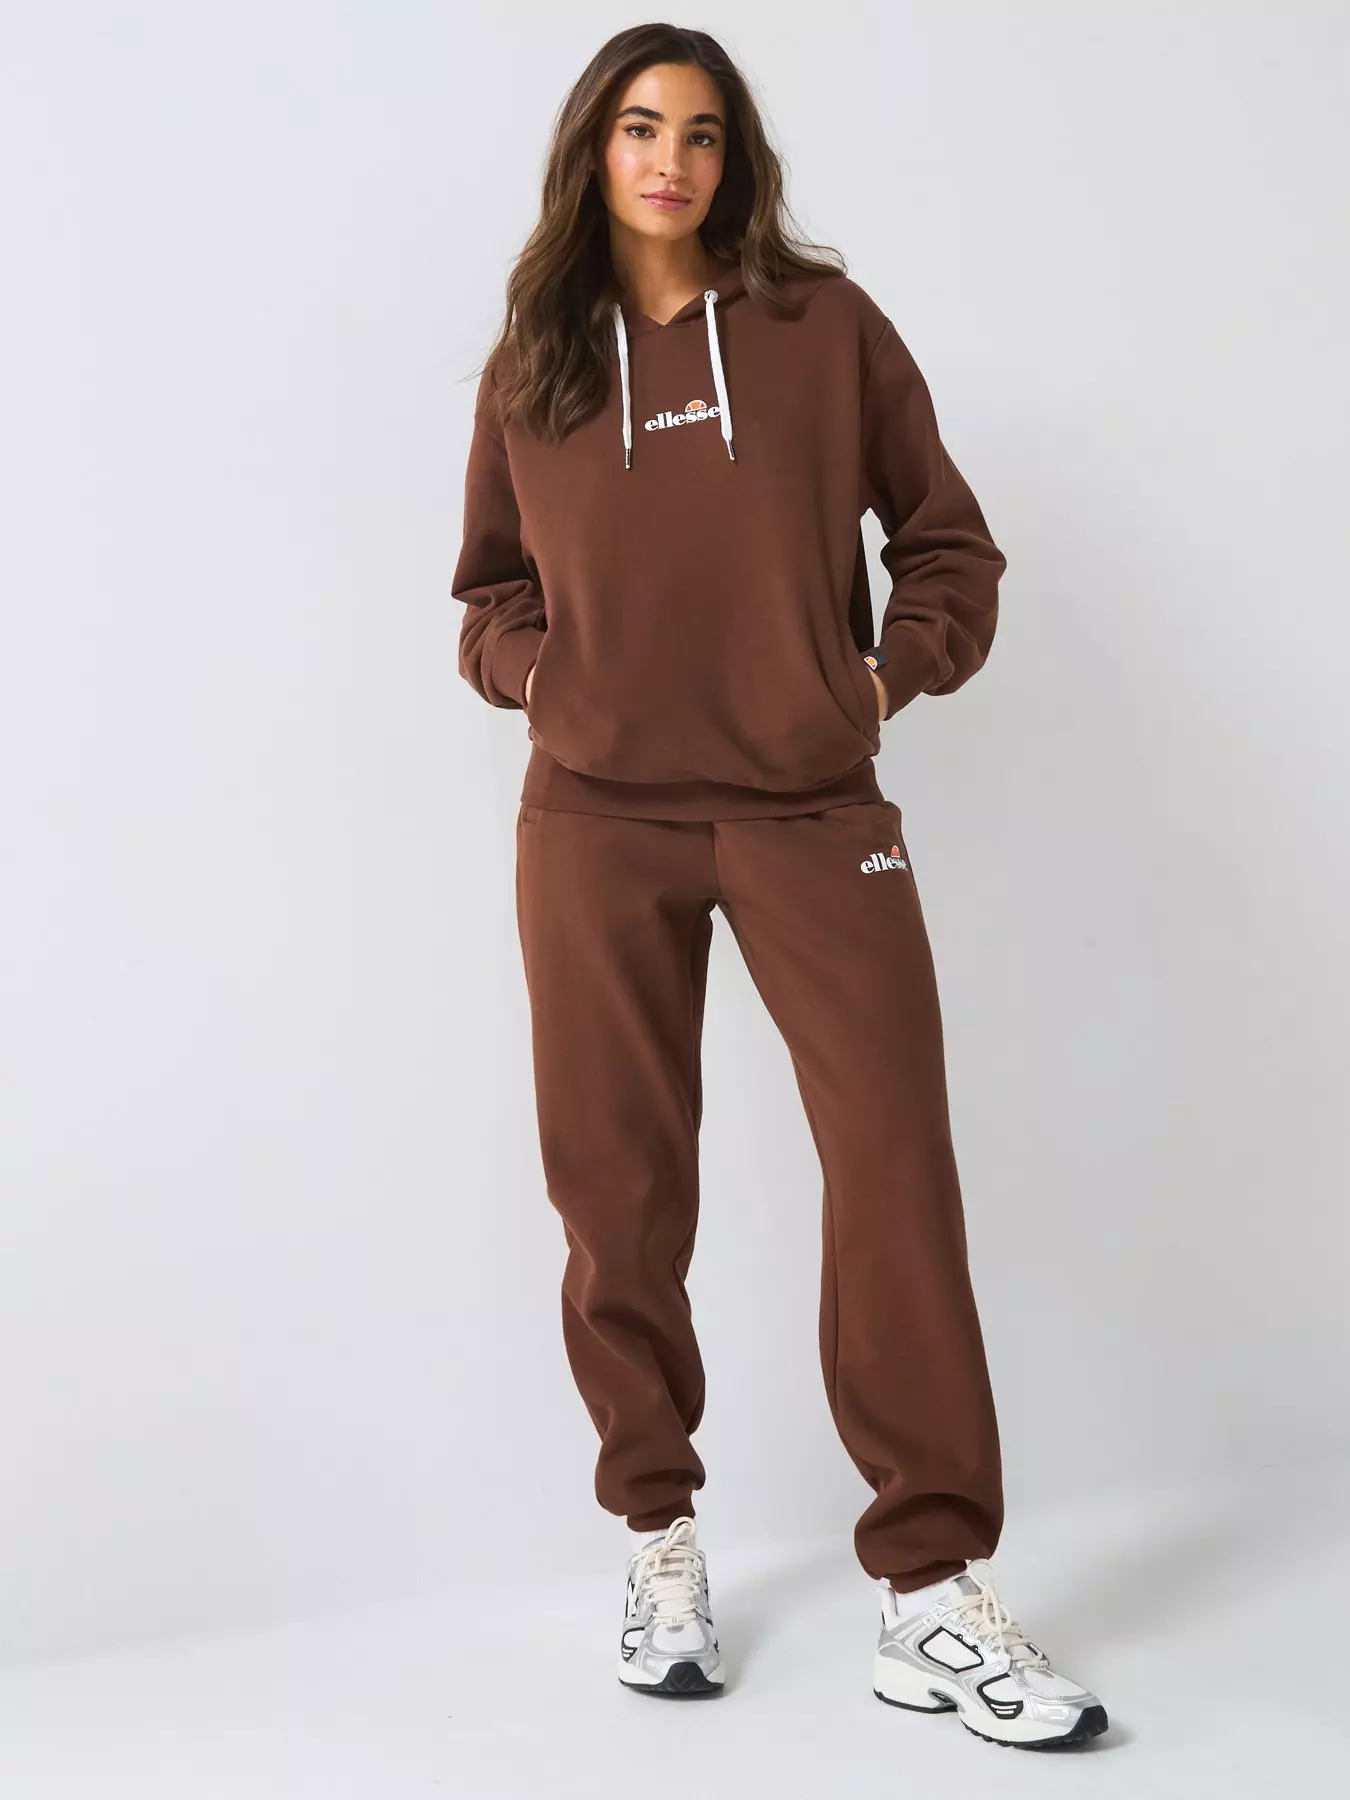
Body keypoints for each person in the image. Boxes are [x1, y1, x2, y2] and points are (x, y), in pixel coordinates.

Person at [451, 23, 1107, 1746]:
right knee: (615, 1188)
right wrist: (545, 680)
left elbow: (947, 541)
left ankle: (929, 1590)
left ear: (734, 158)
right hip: (595, 820)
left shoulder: (824, 329)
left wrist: (880, 682)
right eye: (638, 128)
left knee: (892, 1167)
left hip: (814, 808)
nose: (669, 161)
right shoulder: (534, 360)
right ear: (591, 151)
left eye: (701, 133)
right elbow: (489, 592)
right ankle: (657, 1536)